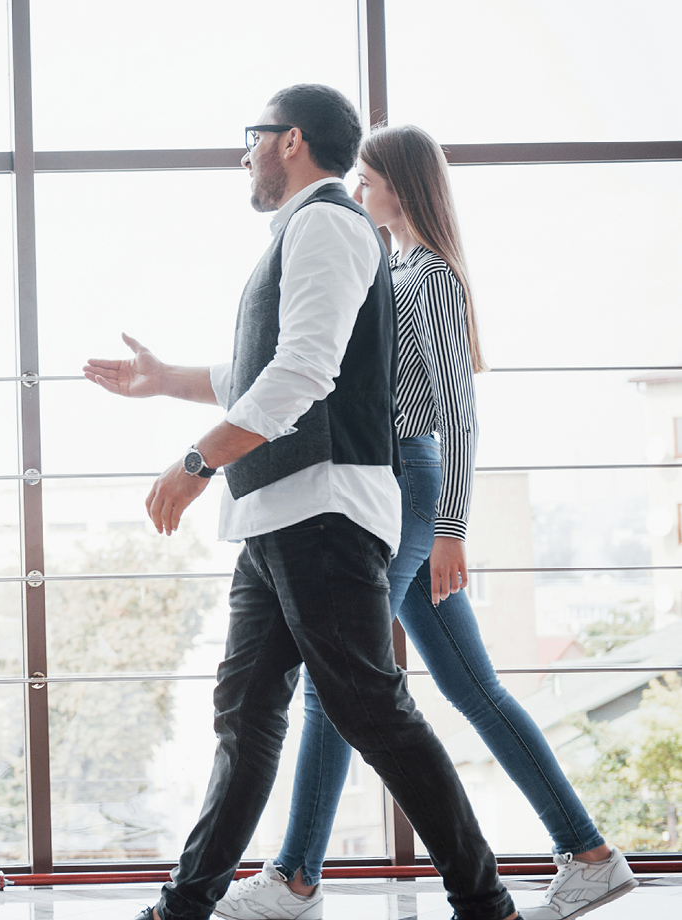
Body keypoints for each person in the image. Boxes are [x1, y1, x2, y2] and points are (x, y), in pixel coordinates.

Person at [84, 85, 518, 920]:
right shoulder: (308, 231)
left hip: (320, 511)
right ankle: (184, 907)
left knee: (371, 709)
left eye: (251, 137)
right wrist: (164, 380)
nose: (242, 154)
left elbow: (303, 372)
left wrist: (196, 463)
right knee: (246, 716)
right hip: (280, 516)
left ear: (289, 140)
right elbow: (265, 368)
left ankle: (486, 904)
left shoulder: (326, 224)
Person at [211, 124, 636, 920]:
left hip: (409, 481)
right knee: (468, 685)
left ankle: (296, 878)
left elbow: (458, 413)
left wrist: (450, 527)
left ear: (401, 187)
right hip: (394, 482)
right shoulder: (395, 267)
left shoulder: (431, 276)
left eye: (368, 181)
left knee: (340, 684)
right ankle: (590, 854)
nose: (357, 192)